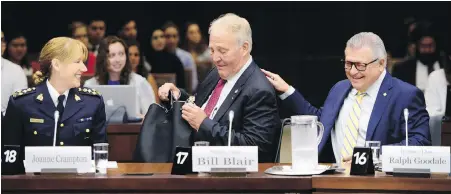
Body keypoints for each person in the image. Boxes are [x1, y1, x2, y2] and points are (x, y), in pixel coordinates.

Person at [263, 32, 431, 164]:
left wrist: (370, 155)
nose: (352, 71)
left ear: (381, 63)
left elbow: (420, 143)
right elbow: (322, 121)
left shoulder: (405, 95)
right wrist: (287, 90)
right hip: (334, 181)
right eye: (348, 63)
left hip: (379, 183)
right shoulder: (340, 88)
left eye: (360, 65)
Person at [158, 13, 281, 162]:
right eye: (212, 50)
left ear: (244, 48)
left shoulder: (259, 90)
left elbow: (254, 149)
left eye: (222, 51)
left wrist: (204, 124)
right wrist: (179, 96)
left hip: (229, 179)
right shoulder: (217, 72)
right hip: (189, 163)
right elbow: (199, 103)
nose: (215, 58)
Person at [1, 37, 107, 174]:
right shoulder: (21, 103)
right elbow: (9, 160)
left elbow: (100, 157)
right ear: (56, 64)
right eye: (77, 62)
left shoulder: (93, 102)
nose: (84, 68)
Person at [84, 36, 156, 116]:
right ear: (103, 58)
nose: (118, 60)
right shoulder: (90, 85)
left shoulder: (139, 82)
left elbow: (152, 117)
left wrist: (142, 119)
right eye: (112, 55)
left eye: (121, 54)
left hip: (133, 128)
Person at [392, 21, 444, 91]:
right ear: (416, 46)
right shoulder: (402, 69)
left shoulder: (446, 66)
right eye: (423, 46)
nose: (427, 50)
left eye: (430, 45)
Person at [163, 21, 198, 93]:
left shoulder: (187, 57)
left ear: (178, 38)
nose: (171, 40)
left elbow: (193, 84)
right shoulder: (157, 57)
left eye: (174, 36)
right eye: (168, 36)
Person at [1, 31, 28, 115]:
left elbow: (20, 106)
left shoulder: (16, 71)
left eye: (2, 40)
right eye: (15, 45)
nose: (19, 49)